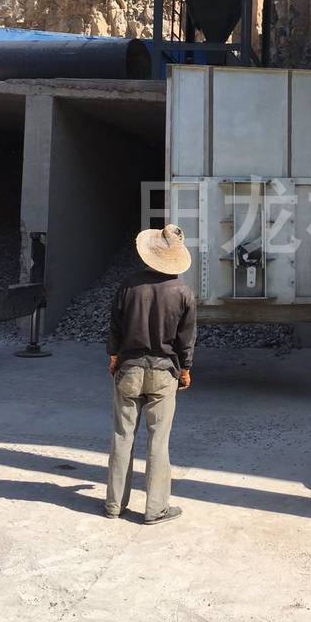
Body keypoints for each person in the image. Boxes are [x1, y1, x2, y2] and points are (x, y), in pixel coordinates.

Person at [105, 224, 197, 524]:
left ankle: (114, 505)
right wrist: (185, 370)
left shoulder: (128, 286)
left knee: (122, 437)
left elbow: (115, 328)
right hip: (163, 372)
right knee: (158, 441)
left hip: (129, 369)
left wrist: (114, 357)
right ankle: (155, 509)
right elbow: (186, 339)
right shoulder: (183, 293)